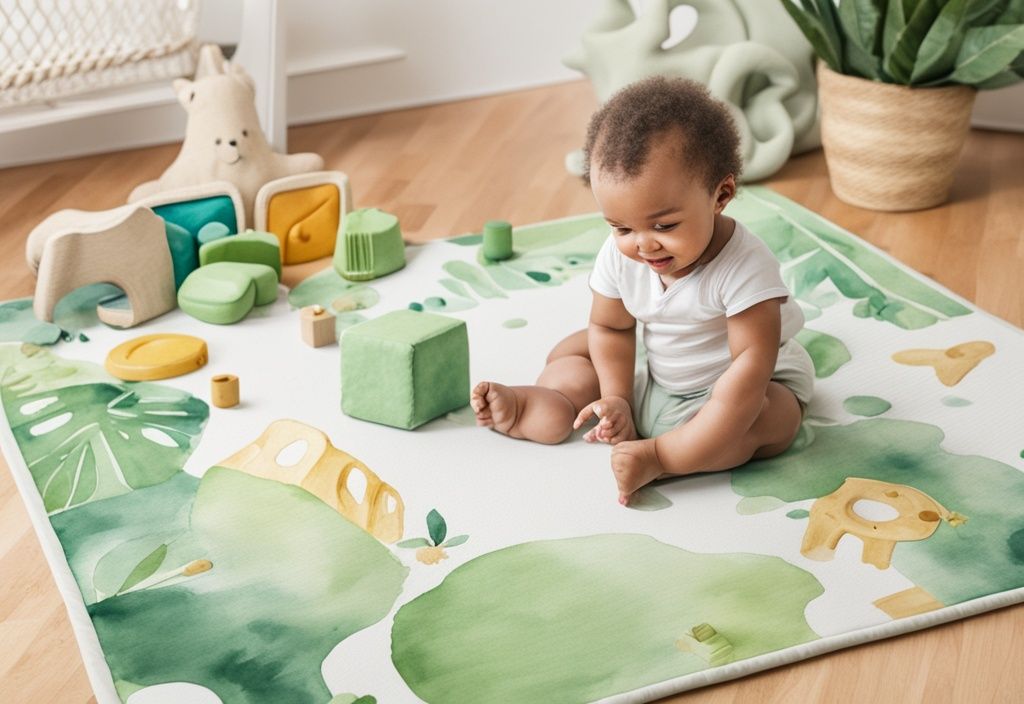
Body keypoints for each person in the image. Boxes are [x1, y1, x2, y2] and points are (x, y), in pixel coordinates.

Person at [470, 76, 814, 505]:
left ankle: (664, 454)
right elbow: (612, 329)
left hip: (738, 386)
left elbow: (748, 367)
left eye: (665, 226)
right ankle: (542, 406)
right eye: (621, 227)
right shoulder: (622, 255)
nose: (643, 244)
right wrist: (617, 398)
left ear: (720, 194)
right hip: (659, 372)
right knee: (573, 351)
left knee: (765, 420)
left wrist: (664, 453)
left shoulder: (745, 268)